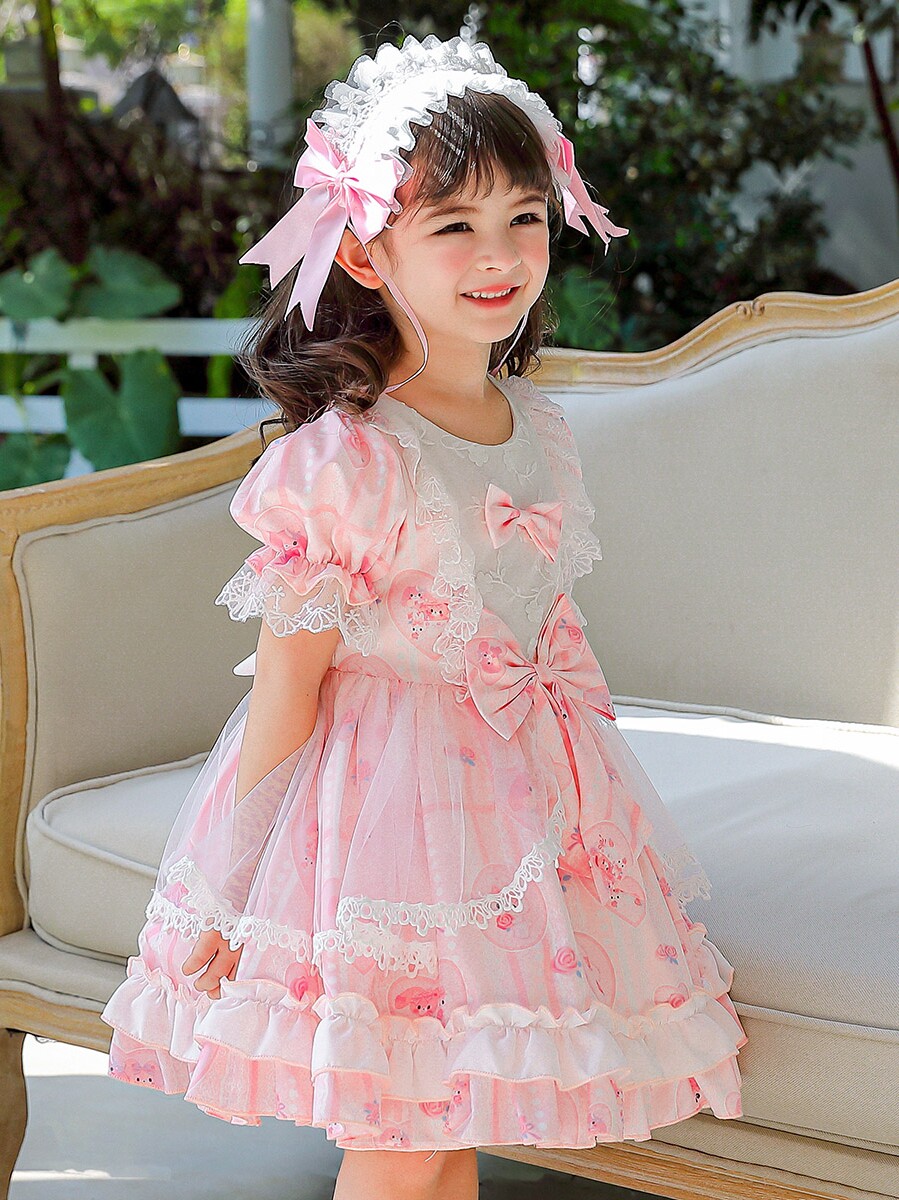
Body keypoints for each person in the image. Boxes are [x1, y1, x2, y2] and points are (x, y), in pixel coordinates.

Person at [100, 31, 747, 1200]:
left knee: (447, 1127)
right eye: (452, 224)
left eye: (523, 218)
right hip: (380, 827)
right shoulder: (347, 461)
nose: (498, 256)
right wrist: (233, 889)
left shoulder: (536, 425)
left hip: (515, 811)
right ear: (363, 247)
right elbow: (288, 685)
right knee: (399, 1135)